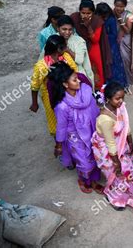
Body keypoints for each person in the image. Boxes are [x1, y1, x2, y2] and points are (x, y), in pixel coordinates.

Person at [49, 62, 103, 194]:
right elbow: (61, 127)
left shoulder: (85, 90)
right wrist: (59, 145)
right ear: (65, 84)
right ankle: (84, 180)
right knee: (84, 161)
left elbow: (95, 109)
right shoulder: (62, 106)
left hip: (92, 130)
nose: (79, 80)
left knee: (95, 155)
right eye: (74, 80)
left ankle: (94, 180)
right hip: (75, 137)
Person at [91, 81, 133, 210]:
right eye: (117, 98)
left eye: (122, 97)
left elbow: (126, 124)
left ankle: (130, 196)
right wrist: (116, 162)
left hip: (120, 142)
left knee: (130, 171)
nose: (121, 101)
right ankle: (114, 199)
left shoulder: (120, 106)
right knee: (117, 174)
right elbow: (110, 144)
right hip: (108, 149)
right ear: (108, 99)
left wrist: (130, 142)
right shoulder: (105, 119)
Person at [30, 35, 78, 139]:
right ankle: (60, 144)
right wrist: (34, 103)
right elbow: (35, 86)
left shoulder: (66, 57)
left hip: (69, 94)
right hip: (51, 98)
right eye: (64, 47)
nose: (66, 49)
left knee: (70, 120)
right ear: (58, 49)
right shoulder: (41, 66)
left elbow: (75, 71)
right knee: (56, 122)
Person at [71, 0, 112, 89]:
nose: (85, 15)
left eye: (88, 13)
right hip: (79, 48)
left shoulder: (97, 21)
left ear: (93, 13)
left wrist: (88, 26)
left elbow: (95, 40)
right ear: (79, 11)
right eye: (83, 13)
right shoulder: (74, 18)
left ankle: (98, 91)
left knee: (96, 70)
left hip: (93, 49)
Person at [95, 2, 128, 89]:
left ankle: (120, 84)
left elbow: (113, 34)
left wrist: (103, 35)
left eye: (106, 15)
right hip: (102, 46)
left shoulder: (111, 19)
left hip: (111, 45)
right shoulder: (97, 20)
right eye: (103, 15)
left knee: (114, 64)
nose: (105, 17)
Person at [56, 15, 95, 86]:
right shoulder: (53, 39)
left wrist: (67, 50)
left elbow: (80, 60)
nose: (67, 32)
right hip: (59, 76)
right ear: (58, 28)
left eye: (70, 29)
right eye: (64, 29)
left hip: (77, 75)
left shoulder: (79, 41)